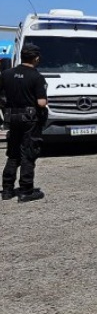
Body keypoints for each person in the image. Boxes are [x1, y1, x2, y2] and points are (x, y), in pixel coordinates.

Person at [0, 44, 48, 202]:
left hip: (11, 118)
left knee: (13, 154)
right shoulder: (36, 76)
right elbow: (41, 103)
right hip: (29, 120)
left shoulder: (6, 74)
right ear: (36, 58)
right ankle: (26, 190)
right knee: (28, 153)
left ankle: (7, 190)